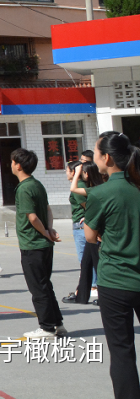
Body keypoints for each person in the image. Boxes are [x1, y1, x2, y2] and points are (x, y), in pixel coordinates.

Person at [84, 132, 140, 398]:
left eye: (96, 153)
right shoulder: (136, 188)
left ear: (106, 158)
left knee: (121, 351)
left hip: (115, 281)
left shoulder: (100, 193)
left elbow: (90, 236)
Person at [10, 147, 66, 338]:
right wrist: (49, 230)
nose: (11, 165)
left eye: (12, 162)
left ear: (18, 165)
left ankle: (47, 327)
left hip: (32, 244)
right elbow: (48, 210)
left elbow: (32, 217)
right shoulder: (37, 184)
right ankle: (57, 323)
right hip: (44, 245)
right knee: (45, 285)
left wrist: (45, 232)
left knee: (38, 288)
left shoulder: (24, 188)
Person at [66, 162, 104, 305]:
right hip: (87, 226)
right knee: (86, 262)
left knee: (95, 263)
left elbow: (88, 205)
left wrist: (89, 216)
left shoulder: (85, 187)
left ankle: (101, 293)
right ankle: (81, 295)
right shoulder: (92, 186)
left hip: (86, 228)